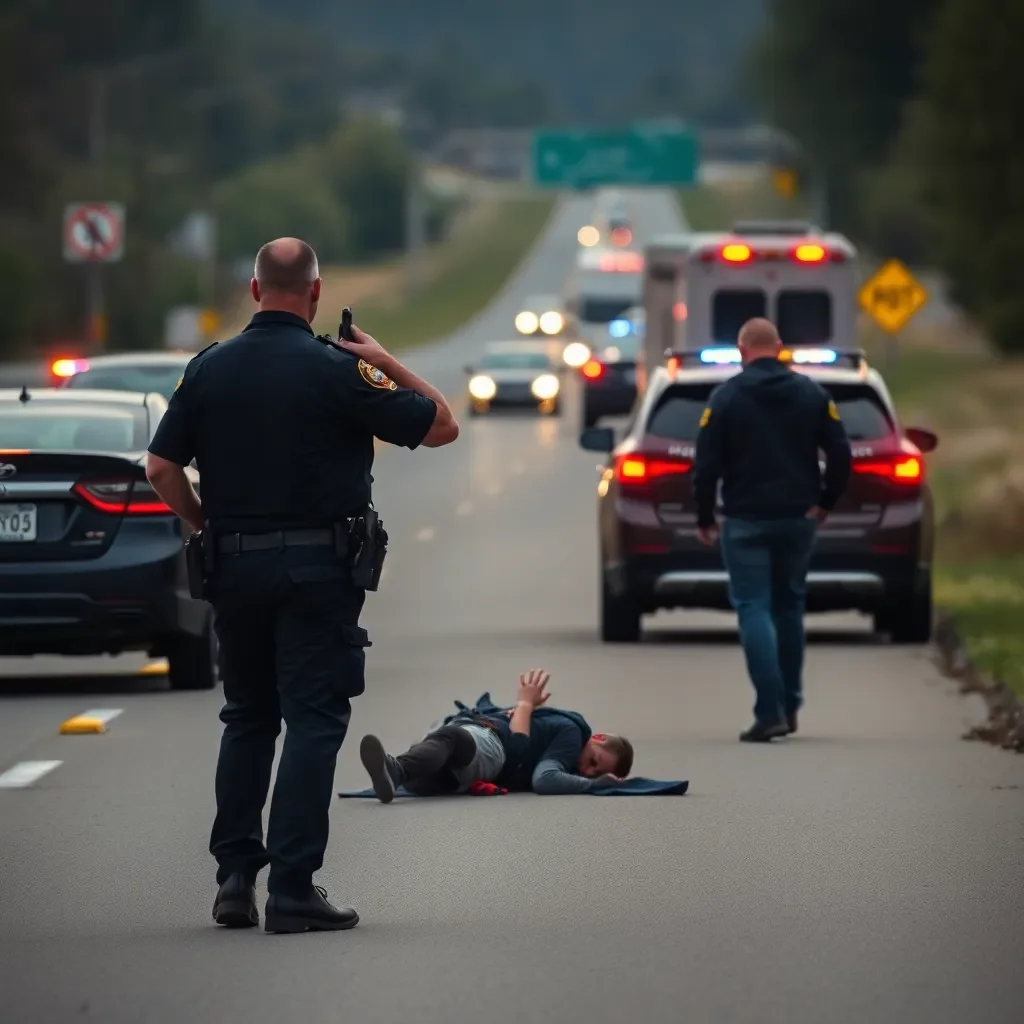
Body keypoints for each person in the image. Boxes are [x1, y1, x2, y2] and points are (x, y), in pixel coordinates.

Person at [144, 237, 459, 933]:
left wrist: (206, 527)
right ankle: (291, 888)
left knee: (248, 718)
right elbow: (442, 425)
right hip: (318, 573)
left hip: (233, 568)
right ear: (315, 294)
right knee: (313, 721)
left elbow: (161, 470)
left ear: (255, 292)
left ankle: (234, 877)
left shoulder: (208, 370)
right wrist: (381, 360)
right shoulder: (337, 370)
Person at [692, 317, 851, 743]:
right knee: (789, 606)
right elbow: (840, 451)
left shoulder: (725, 397)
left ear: (742, 351)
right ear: (779, 347)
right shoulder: (813, 393)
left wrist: (704, 515)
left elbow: (705, 463)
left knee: (753, 608)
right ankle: (792, 704)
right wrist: (827, 501)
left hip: (744, 520)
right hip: (798, 518)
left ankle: (770, 710)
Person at [358, 669, 634, 801]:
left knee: (450, 738)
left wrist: (525, 703)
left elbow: (542, 777)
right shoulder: (571, 734)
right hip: (471, 770)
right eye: (594, 762)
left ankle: (398, 770)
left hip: (490, 747)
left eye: (592, 773)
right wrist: (527, 707)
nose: (585, 770)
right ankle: (400, 774)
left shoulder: (571, 737)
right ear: (596, 738)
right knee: (427, 769)